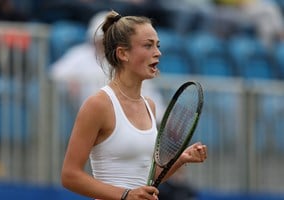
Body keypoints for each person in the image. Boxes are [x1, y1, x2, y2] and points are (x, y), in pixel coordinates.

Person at [61, 10, 207, 200]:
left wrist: (181, 159)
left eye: (157, 45)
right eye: (148, 45)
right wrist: (125, 195)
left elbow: (143, 179)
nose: (158, 52)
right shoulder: (98, 104)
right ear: (123, 53)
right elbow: (70, 176)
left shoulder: (150, 106)